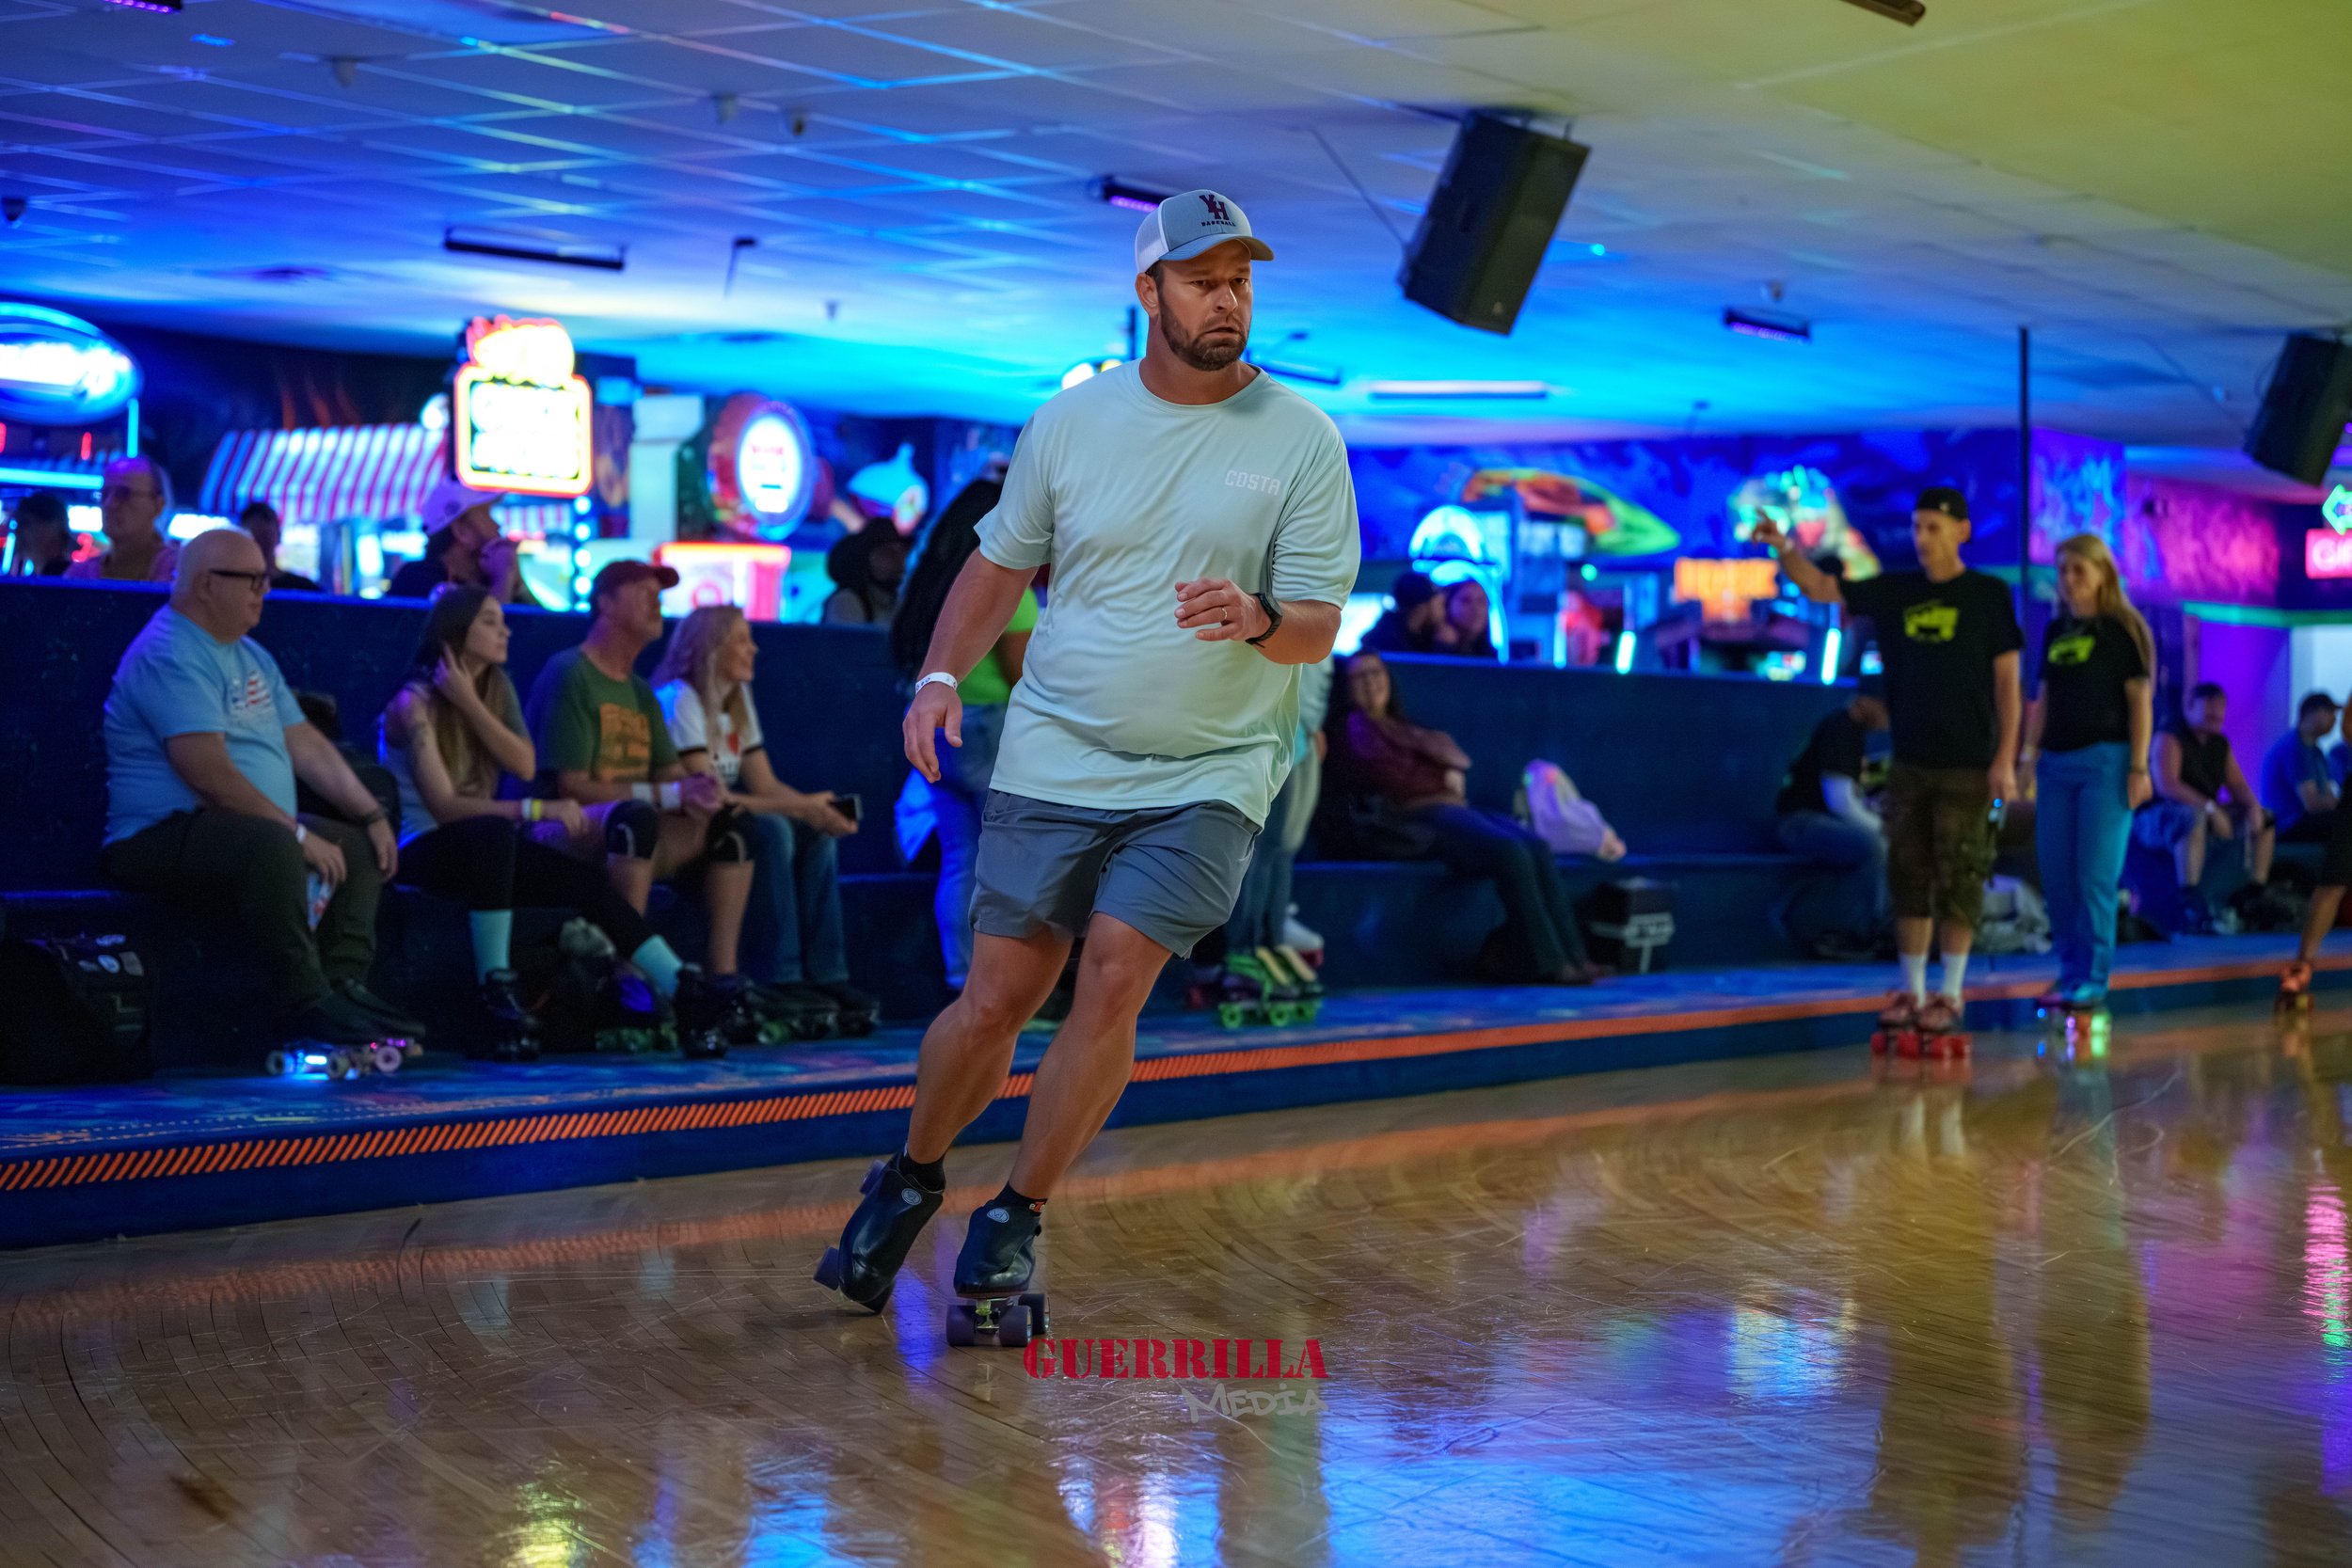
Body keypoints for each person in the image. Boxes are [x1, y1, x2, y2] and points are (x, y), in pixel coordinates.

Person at [814, 187, 1358, 1324]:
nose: (1228, 297)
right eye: (1204, 278)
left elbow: (1317, 623)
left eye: (1241, 279)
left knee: (1113, 969)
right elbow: (998, 565)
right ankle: (911, 1172)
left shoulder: (1302, 440)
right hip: (1058, 753)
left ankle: (1014, 1209)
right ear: (1148, 290)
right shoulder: (1068, 424)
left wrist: (1259, 616)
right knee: (998, 995)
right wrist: (937, 677)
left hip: (1212, 768)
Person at [99, 528, 421, 1047]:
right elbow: (208, 776)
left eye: (264, 579)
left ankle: (345, 984)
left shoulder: (249, 654)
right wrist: (295, 835)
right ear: (206, 584)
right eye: (251, 579)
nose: (263, 591)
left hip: (238, 830)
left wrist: (371, 815)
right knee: (272, 844)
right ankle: (305, 1000)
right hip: (158, 835)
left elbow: (308, 746)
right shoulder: (169, 652)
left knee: (354, 846)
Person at [381, 585, 697, 1058]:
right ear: (456, 630)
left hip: (487, 850)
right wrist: (535, 810)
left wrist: (469, 702)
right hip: (424, 847)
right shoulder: (412, 705)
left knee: (584, 882)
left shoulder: (493, 688)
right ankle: (496, 987)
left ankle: (680, 984)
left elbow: (525, 765)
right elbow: (446, 809)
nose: (504, 629)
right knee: (493, 833)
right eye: (490, 621)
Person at [1760, 486, 2023, 1050]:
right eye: (1918, 527)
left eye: (1934, 527)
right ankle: (1910, 988)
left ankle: (1949, 992)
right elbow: (1823, 586)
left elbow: (2008, 685)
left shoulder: (1988, 595)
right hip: (1911, 762)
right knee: (1909, 875)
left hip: (1969, 764)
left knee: (1961, 875)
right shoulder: (1898, 590)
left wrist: (2006, 759)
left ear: (1962, 532)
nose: (1922, 538)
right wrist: (1783, 546)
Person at [525, 560, 756, 1055]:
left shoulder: (638, 691)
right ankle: (626, 980)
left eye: (659, 592)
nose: (656, 599)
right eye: (641, 590)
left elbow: (671, 775)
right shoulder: (571, 672)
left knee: (731, 825)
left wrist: (699, 789)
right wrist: (666, 794)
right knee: (636, 819)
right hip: (558, 829)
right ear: (604, 604)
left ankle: (721, 981)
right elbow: (575, 786)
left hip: (631, 822)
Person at [654, 605, 877, 1036]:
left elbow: (765, 786)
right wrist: (801, 808)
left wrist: (817, 810)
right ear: (710, 647)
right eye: (741, 638)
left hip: (726, 822)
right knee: (773, 829)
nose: (753, 648)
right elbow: (713, 798)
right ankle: (779, 976)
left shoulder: (736, 704)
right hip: (691, 832)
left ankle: (827, 975)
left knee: (813, 833)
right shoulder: (679, 698)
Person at [1334, 648, 1601, 985]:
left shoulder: (1402, 726)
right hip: (1412, 819)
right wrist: (1439, 774)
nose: (1371, 683)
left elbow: (1458, 758)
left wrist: (1440, 769)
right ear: (1347, 688)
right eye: (1360, 676)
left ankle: (1576, 955)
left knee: (1535, 845)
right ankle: (1549, 962)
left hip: (1449, 810)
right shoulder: (1357, 728)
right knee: (1510, 850)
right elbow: (1396, 780)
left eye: (1377, 673)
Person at [889, 475, 1038, 990]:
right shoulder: (1000, 585)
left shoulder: (929, 586)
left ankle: (963, 980)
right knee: (1008, 863)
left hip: (935, 728)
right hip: (992, 730)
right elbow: (1022, 674)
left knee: (961, 858)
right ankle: (1002, 991)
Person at [2019, 534, 2154, 1008]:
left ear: (2102, 574)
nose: (2069, 579)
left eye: (2079, 569)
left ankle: (2094, 976)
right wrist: (2027, 756)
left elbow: (2140, 702)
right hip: (2056, 764)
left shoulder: (2121, 630)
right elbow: (2042, 699)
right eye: (2063, 570)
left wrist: (2139, 764)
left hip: (2106, 761)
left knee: (2094, 874)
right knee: (2056, 875)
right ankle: (2068, 969)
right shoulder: (2055, 632)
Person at [2134, 681, 2274, 927]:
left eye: (2221, 706)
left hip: (2206, 809)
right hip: (2158, 816)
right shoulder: (2169, 737)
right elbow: (2168, 785)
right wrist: (2211, 810)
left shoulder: (2219, 744)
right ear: (2189, 707)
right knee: (2192, 816)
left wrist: (2253, 808)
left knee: (2266, 816)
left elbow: (2238, 786)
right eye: (2209, 706)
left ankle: (2254, 891)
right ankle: (2189, 895)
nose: (2216, 713)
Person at [1773, 680, 1892, 962]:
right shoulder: (1841, 729)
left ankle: (1864, 928)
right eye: (1888, 708)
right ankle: (1861, 932)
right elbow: (1840, 802)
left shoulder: (1852, 731)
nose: (1891, 717)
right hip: (1800, 823)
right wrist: (1882, 828)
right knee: (1874, 846)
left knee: (1877, 843)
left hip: (1817, 820)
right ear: (1864, 703)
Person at [386, 477, 542, 607]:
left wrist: (518, 583)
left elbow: (549, 630)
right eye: (487, 515)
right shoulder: (417, 579)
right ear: (462, 531)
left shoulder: (487, 580)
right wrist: (503, 578)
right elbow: (476, 640)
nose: (497, 525)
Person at [66, 455, 179, 584]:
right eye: (104, 494)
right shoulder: (80, 575)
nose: (109, 504)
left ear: (158, 506)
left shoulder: (181, 575)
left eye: (123, 494)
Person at [2263, 691, 2341, 845]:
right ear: (2313, 713)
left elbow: (2327, 792)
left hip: (2306, 821)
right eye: (2329, 712)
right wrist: (2338, 804)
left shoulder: (2315, 751)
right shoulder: (2295, 748)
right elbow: (2312, 803)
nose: (2334, 719)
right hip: (2288, 825)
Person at [821, 518, 907, 626]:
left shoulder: (899, 599)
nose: (898, 559)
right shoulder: (846, 601)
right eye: (887, 553)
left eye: (902, 552)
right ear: (866, 560)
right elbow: (848, 640)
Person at [237, 501, 323, 594]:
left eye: (266, 537)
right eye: (255, 537)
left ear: (278, 536)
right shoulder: (303, 587)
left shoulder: (305, 588)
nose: (260, 545)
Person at [1359, 570, 1444, 655]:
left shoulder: (1432, 635)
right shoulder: (1384, 640)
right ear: (1421, 607)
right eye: (1441, 605)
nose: (1444, 611)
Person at [7, 490, 72, 576]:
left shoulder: (70, 580)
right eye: (17, 525)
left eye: (26, 524)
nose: (17, 532)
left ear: (54, 527)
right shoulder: (36, 579)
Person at [1434, 578, 1500, 662]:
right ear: (1447, 605)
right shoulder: (1431, 649)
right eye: (1466, 600)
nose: (1475, 609)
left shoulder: (1489, 655)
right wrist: (1446, 648)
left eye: (1481, 601)